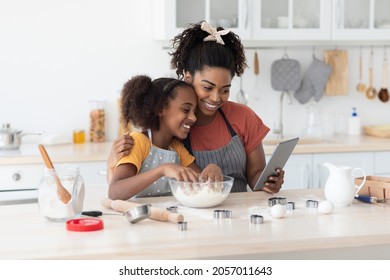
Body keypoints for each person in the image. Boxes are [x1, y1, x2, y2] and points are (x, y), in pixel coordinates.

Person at [108, 21, 284, 194]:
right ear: (188, 78)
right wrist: (112, 160)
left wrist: (267, 181)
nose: (216, 98)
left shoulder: (243, 116)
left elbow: (251, 177)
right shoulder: (172, 129)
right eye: (207, 87)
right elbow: (120, 185)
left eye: (225, 90)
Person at [109, 75, 222, 200]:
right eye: (186, 109)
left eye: (194, 112)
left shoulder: (176, 148)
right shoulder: (138, 142)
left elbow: (200, 183)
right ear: (160, 109)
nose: (194, 118)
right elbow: (114, 192)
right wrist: (162, 170)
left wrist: (211, 169)